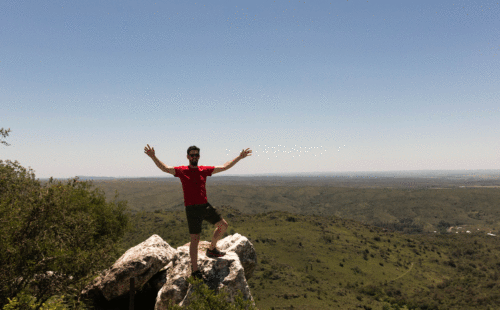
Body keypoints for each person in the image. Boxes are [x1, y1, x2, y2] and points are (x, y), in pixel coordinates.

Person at [144, 144, 252, 281]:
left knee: (223, 225)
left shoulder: (203, 170)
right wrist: (153, 156)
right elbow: (165, 168)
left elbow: (224, 167)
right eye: (192, 155)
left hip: (205, 206)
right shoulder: (182, 170)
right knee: (195, 240)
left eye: (196, 155)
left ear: (198, 157)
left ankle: (212, 248)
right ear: (188, 156)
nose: (194, 157)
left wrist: (239, 157)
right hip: (192, 209)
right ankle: (195, 271)